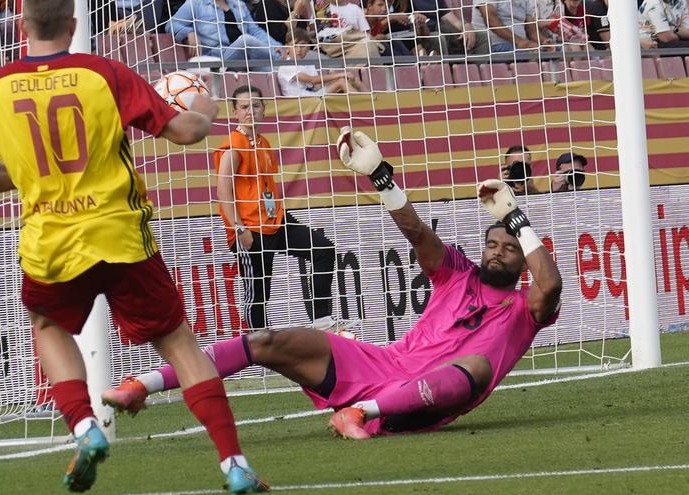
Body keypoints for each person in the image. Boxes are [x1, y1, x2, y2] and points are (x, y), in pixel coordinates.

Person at [0, 1, 267, 492]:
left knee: (49, 325)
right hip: (121, 236)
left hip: (52, 243)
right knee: (179, 343)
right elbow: (185, 132)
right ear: (75, 24)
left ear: (21, 25)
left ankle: (84, 427)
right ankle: (234, 464)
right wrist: (206, 108)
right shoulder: (102, 72)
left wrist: (37, 179)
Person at [104, 128, 563, 440]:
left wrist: (515, 219)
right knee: (268, 339)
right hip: (378, 364)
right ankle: (141, 384)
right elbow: (417, 233)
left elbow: (551, 285)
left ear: (522, 257)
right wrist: (381, 176)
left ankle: (360, 414)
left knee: (474, 370)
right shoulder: (456, 273)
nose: (497, 251)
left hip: (414, 403)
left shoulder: (526, 309)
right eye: (492, 243)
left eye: (509, 247)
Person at [213, 85, 341, 331]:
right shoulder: (232, 147)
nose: (251, 111)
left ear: (264, 109)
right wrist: (240, 230)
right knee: (259, 293)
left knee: (323, 249)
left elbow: (266, 187)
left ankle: (322, 320)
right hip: (249, 229)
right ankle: (259, 346)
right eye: (244, 107)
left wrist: (273, 215)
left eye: (256, 105)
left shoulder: (263, 143)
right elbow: (223, 193)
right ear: (235, 113)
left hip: (274, 222)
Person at [166, 0, 282, 64]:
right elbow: (171, 24)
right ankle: (281, 58)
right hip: (220, 58)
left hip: (245, 57)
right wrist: (189, 32)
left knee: (270, 67)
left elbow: (255, 31)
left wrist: (278, 47)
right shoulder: (195, 4)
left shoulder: (238, 5)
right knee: (245, 41)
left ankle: (283, 62)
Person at [277, 28, 362, 96]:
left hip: (313, 96)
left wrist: (337, 81)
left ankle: (371, 104)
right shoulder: (286, 66)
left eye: (302, 45)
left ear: (308, 48)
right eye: (295, 46)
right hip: (300, 102)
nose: (299, 49)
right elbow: (312, 80)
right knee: (341, 82)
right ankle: (364, 109)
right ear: (287, 48)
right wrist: (340, 75)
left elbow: (317, 87)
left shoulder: (308, 65)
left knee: (352, 81)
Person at [473, 0, 545, 52]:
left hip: (518, 46)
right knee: (532, 54)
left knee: (553, 52)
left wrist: (544, 42)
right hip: (494, 45)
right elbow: (491, 20)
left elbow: (532, 31)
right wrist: (520, 42)